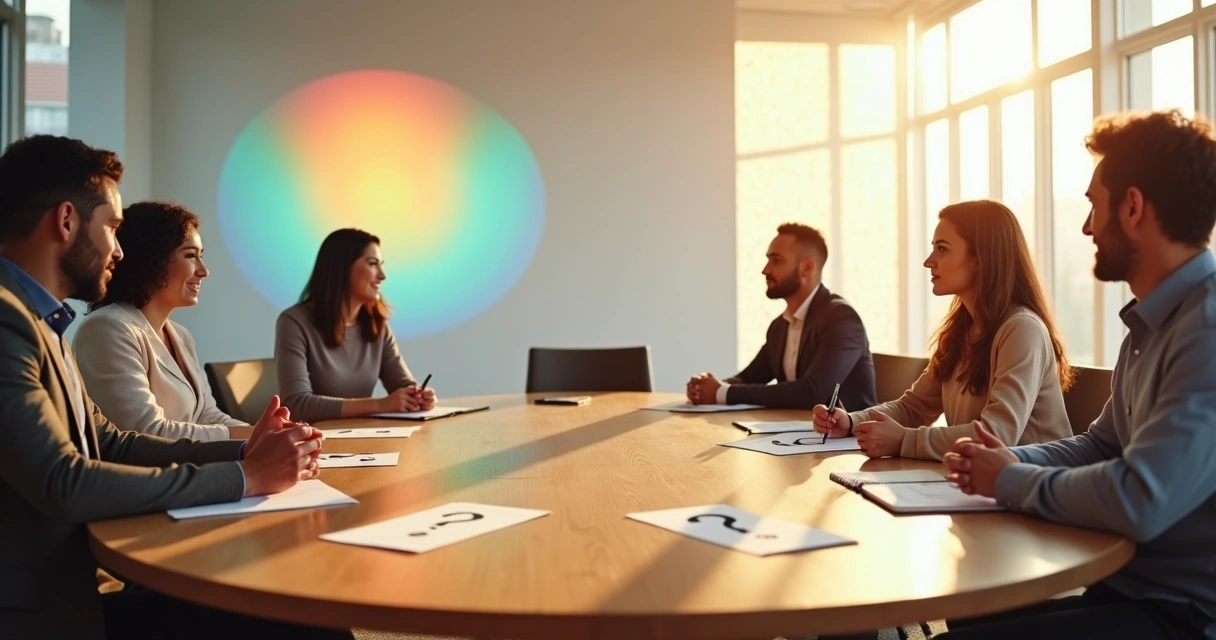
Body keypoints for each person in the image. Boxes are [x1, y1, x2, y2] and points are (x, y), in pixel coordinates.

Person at [0, 135, 346, 639]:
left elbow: (112, 443)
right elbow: (64, 483)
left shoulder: (41, 322)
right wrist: (248, 477)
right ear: (67, 220)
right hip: (43, 611)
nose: (120, 248)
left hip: (71, 584)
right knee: (302, 620)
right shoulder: (10, 320)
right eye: (114, 228)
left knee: (306, 612)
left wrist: (248, 451)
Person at [941, 111, 1216, 640]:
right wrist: (1007, 460)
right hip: (1127, 585)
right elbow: (1099, 444)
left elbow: (1140, 499)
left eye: (1094, 204)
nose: (1088, 226)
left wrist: (1010, 480)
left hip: (1184, 614)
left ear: (1132, 207)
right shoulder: (1150, 324)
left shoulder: (1204, 332)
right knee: (971, 609)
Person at [813, 200, 1073, 461]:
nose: (929, 262)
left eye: (942, 249)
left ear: (979, 259)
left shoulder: (1022, 329)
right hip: (982, 483)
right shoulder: (960, 331)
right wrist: (850, 421)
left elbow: (997, 435)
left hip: (1031, 489)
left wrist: (904, 440)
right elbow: (914, 407)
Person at [73, 201, 248, 441]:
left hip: (191, 469)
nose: (203, 270)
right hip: (148, 476)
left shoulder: (181, 336)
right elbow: (147, 432)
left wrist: (267, 432)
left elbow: (208, 415)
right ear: (152, 260)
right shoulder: (107, 328)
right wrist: (254, 437)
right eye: (190, 256)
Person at [686, 223, 876, 410]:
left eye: (776, 260)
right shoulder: (780, 325)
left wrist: (722, 393)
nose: (765, 270)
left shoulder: (841, 319)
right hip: (794, 434)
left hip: (846, 439)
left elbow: (813, 392)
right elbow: (749, 378)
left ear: (807, 268)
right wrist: (707, 387)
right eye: (768, 259)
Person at [276, 228, 436, 422]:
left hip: (362, 436)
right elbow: (296, 405)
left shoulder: (377, 326)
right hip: (314, 442)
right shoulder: (294, 323)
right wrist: (380, 404)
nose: (382, 275)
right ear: (341, 268)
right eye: (372, 264)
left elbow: (402, 386)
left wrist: (419, 397)